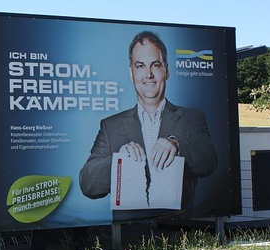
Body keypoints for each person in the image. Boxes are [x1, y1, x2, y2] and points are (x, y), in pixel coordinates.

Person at [79, 31, 217, 210]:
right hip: (130, 229)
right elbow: (87, 184)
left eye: (155, 65)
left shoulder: (191, 118)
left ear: (166, 70)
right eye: (140, 66)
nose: (148, 74)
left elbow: (209, 163)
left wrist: (177, 145)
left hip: (177, 227)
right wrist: (119, 161)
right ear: (131, 73)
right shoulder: (110, 126)